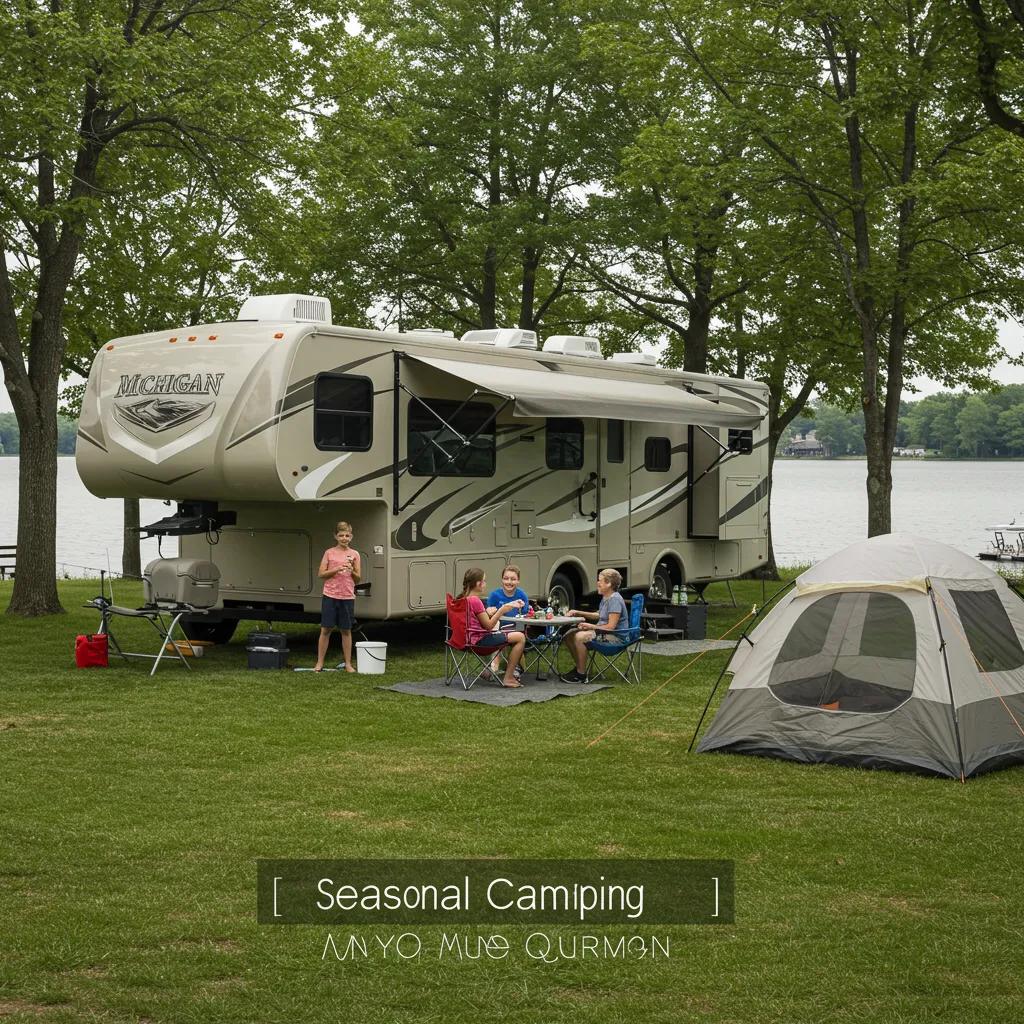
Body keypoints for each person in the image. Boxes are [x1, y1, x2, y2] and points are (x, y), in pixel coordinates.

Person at [460, 567, 527, 688]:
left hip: (464, 639)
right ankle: (508, 677)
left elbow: (475, 620)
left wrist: (489, 613)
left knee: (503, 632)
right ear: (478, 583)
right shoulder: (475, 601)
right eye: (484, 581)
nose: (485, 584)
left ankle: (493, 669)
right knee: (520, 637)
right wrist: (501, 610)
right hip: (479, 641)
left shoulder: (461, 599)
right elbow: (489, 625)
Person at [560, 568, 628, 684]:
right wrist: (578, 612)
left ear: (609, 584)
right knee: (569, 635)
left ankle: (580, 675)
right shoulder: (606, 597)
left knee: (580, 637)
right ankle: (579, 669)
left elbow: (611, 627)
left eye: (600, 581)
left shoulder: (615, 600)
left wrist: (590, 627)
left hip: (615, 637)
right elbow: (599, 615)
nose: (597, 583)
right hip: (604, 633)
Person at [314, 521, 361, 672]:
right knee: (326, 629)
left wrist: (351, 570)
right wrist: (336, 569)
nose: (344, 538)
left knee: (346, 630)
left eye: (347, 535)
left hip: (347, 596)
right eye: (341, 535)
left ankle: (348, 664)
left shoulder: (354, 554)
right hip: (330, 595)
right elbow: (321, 574)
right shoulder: (329, 553)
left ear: (351, 537)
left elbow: (358, 578)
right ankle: (319, 663)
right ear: (336, 536)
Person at [485, 564, 531, 678]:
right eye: (506, 578)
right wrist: (489, 611)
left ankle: (514, 666)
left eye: (513, 579)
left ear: (518, 581)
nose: (509, 582)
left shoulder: (522, 595)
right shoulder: (494, 595)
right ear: (502, 579)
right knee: (498, 633)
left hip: (517, 629)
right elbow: (488, 615)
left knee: (517, 634)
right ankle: (494, 667)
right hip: (497, 629)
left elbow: (526, 616)